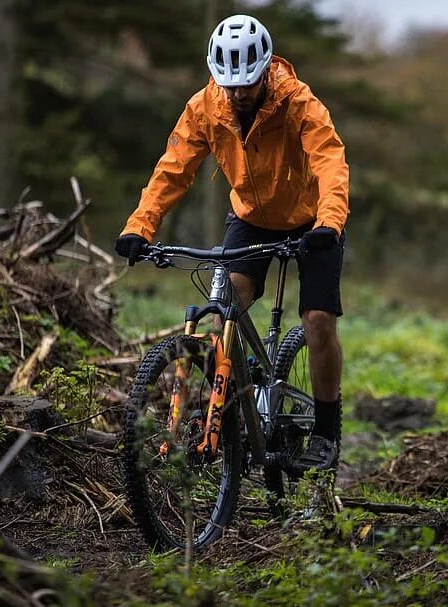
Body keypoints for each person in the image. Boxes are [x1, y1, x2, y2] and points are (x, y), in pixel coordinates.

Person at [114, 14, 348, 472]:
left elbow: (330, 162)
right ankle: (236, 404)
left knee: (318, 319)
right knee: (225, 302)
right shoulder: (205, 107)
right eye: (230, 84)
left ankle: (324, 430)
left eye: (248, 83)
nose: (239, 93)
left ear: (265, 70)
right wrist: (139, 227)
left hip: (312, 219)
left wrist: (330, 221)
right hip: (251, 217)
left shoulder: (300, 103)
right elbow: (173, 170)